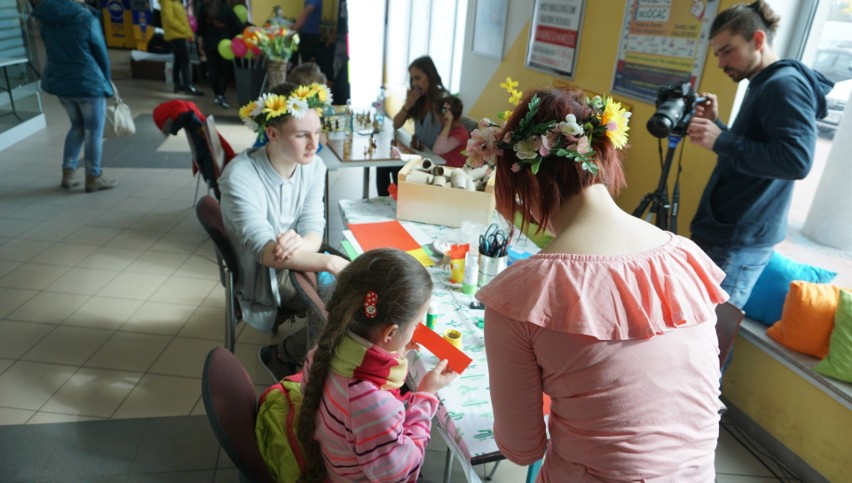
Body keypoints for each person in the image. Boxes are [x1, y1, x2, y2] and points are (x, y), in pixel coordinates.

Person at [474, 88, 729, 481]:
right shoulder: (685, 257)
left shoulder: (521, 295)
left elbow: (523, 448)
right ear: (603, 155)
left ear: (523, 180)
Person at [686, 0, 833, 307]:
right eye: (717, 54)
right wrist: (719, 127)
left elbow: (796, 160)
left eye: (727, 50)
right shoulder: (762, 82)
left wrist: (722, 141)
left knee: (711, 341)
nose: (721, 63)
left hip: (738, 241)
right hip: (726, 232)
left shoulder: (784, 85)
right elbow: (758, 149)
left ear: (757, 39)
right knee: (696, 330)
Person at [219, 82, 348, 380]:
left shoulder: (313, 165)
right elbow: (265, 253)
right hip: (261, 277)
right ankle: (283, 355)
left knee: (356, 293)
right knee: (345, 306)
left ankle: (318, 362)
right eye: (302, 135)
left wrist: (302, 242)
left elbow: (315, 227)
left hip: (295, 256)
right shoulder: (240, 176)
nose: (314, 145)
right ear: (273, 134)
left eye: (317, 132)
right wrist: (328, 261)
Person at [297, 248, 458, 482]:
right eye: (416, 325)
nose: (417, 331)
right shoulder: (371, 406)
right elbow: (404, 473)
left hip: (334, 464)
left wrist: (393, 348)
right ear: (390, 333)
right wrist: (425, 394)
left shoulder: (322, 353)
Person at [33, 0, 118, 192]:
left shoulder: (45, 19)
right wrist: (106, 80)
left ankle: (68, 173)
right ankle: (93, 177)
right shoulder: (86, 19)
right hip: (88, 82)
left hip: (60, 82)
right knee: (93, 132)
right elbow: (101, 53)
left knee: (77, 127)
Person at [378, 56, 448, 195]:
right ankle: (385, 204)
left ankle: (400, 203)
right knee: (384, 163)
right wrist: (408, 104)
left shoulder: (444, 100)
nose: (415, 83)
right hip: (420, 154)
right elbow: (396, 124)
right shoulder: (418, 100)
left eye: (418, 78)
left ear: (430, 76)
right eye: (412, 79)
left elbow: (449, 131)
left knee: (396, 168)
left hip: (434, 160)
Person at [196, 0, 242, 108]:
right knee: (224, 71)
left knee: (213, 70)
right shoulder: (226, 8)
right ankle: (221, 94)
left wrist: (200, 45)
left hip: (208, 43)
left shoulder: (203, 8)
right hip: (224, 44)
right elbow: (237, 25)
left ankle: (217, 94)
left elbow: (200, 29)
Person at [161, 0, 204, 96]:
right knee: (185, 60)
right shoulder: (167, 2)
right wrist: (184, 29)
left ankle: (177, 85)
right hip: (176, 35)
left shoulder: (176, 2)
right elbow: (169, 19)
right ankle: (188, 86)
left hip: (178, 34)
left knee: (178, 60)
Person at [431, 95, 470, 168]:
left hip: (453, 172)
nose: (435, 117)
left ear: (444, 115)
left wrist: (447, 126)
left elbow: (438, 150)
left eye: (435, 114)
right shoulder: (450, 128)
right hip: (444, 167)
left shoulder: (461, 134)